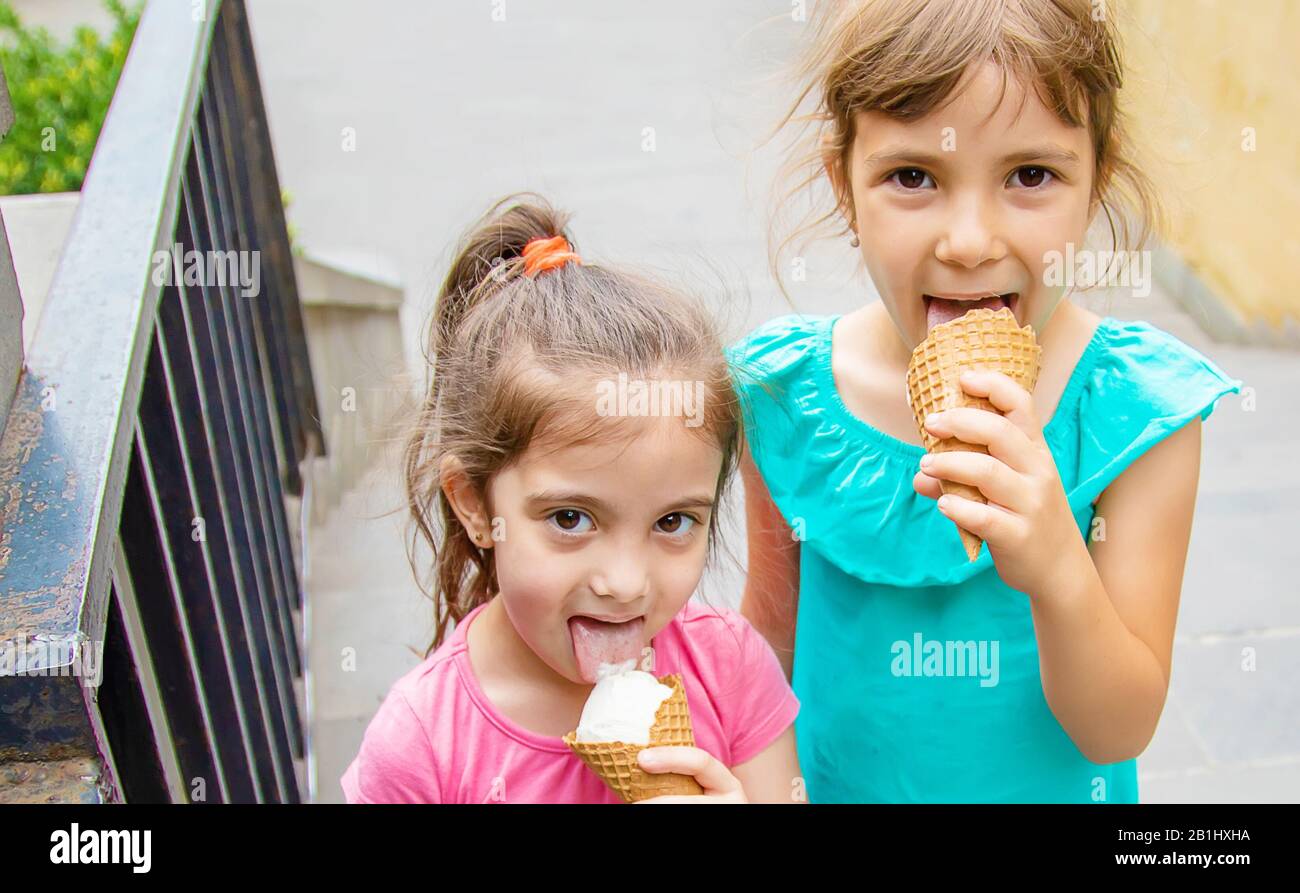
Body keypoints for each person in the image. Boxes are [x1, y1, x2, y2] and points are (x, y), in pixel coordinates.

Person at [729, 0, 1243, 802]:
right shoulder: (785, 398)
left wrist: (1055, 567)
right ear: (845, 185)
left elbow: (1118, 728)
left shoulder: (1140, 417)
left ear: (1097, 180)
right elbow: (763, 650)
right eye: (913, 177)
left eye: (1030, 175)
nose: (969, 240)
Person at [341, 194, 801, 803]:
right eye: (570, 518)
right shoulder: (421, 746)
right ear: (475, 505)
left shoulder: (730, 668)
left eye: (672, 521)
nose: (624, 582)